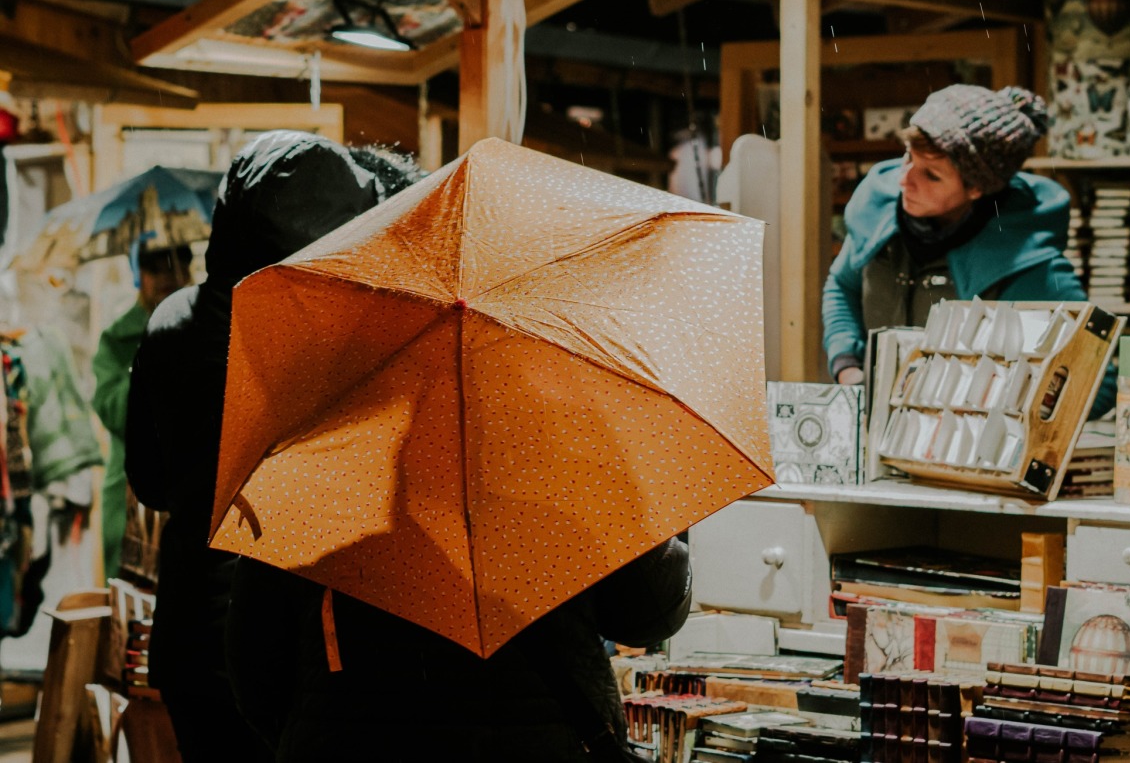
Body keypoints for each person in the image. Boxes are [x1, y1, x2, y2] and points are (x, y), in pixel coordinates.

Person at [123, 131, 422, 761]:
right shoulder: (338, 335)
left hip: (188, 633)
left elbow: (149, 481)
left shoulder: (171, 323)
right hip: (294, 639)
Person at [227, 532, 691, 762]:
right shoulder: (566, 446)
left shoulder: (319, 464)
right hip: (544, 742)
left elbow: (254, 667)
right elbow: (648, 616)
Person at [822, 83, 1115, 417]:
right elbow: (841, 286)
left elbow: (1098, 382)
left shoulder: (1024, 257)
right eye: (908, 157)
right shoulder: (878, 214)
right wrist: (847, 365)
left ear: (976, 188)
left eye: (932, 175)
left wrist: (998, 409)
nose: (905, 180)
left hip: (962, 440)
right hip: (873, 428)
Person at [92, 241, 192, 580]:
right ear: (139, 275)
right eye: (155, 268)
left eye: (176, 263)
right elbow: (115, 412)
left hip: (191, 492)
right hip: (132, 494)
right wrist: (152, 354)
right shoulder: (117, 339)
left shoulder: (207, 327)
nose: (167, 275)